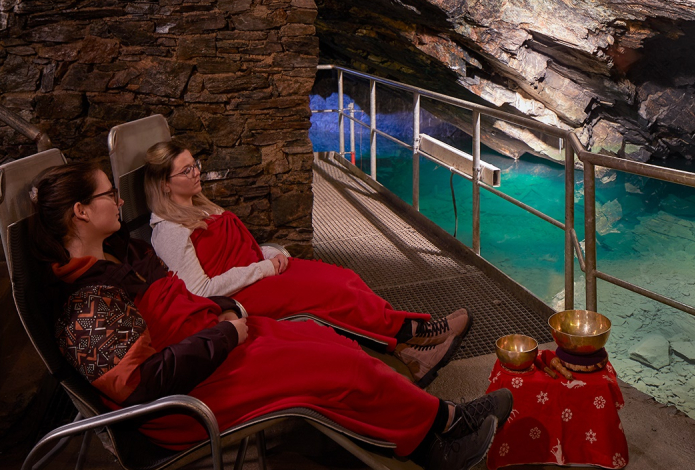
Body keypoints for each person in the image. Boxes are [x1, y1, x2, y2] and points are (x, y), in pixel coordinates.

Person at [29, 162, 512, 470]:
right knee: (337, 370)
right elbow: (139, 387)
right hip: (186, 400)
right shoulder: (85, 307)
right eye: (107, 195)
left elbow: (181, 294)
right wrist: (223, 334)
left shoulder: (122, 253)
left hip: (215, 347)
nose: (118, 201)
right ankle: (443, 433)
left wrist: (229, 312)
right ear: (80, 213)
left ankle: (438, 428)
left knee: (335, 346)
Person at [144, 140, 468, 388]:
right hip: (242, 295)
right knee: (333, 295)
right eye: (186, 170)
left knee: (344, 279)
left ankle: (410, 346)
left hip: (258, 273)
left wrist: (269, 254)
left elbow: (241, 247)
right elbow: (199, 291)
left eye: (194, 164)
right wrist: (263, 269)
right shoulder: (169, 231)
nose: (196, 172)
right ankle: (415, 334)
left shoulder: (199, 206)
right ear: (165, 185)